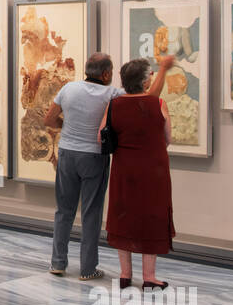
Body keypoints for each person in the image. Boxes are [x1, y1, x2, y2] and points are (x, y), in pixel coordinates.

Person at [45, 53, 173, 280]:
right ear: (105, 74)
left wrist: (67, 126)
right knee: (91, 213)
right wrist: (163, 69)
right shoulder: (112, 94)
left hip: (67, 153)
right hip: (93, 157)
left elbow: (49, 119)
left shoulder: (69, 89)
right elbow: (150, 98)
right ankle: (87, 269)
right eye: (111, 73)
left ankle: (57, 263)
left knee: (63, 210)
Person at [101, 58, 178, 290]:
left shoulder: (113, 105)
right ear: (145, 81)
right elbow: (167, 139)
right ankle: (149, 277)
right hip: (154, 168)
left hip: (124, 167)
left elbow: (101, 137)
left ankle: (125, 274)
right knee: (151, 216)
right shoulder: (158, 104)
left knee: (123, 213)